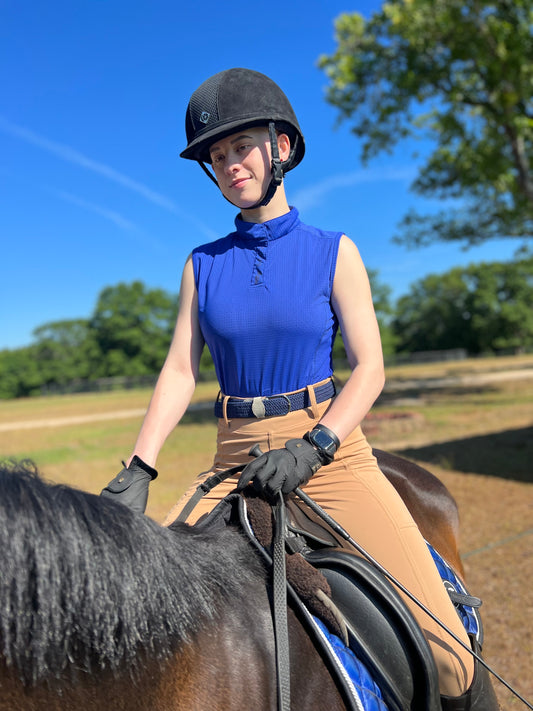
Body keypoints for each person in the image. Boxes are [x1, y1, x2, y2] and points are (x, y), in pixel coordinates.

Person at [101, 68, 495, 709]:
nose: (230, 164)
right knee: (137, 619)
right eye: (217, 155)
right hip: (234, 462)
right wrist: (140, 465)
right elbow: (180, 370)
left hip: (331, 457)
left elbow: (370, 367)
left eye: (242, 146)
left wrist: (315, 446)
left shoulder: (334, 251)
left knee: (450, 656)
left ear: (281, 147)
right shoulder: (201, 266)